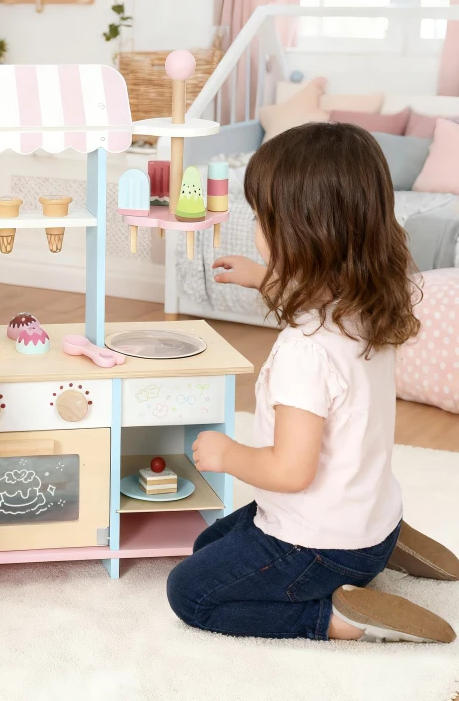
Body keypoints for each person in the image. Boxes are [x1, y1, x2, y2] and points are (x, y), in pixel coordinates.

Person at [166, 122, 456, 643]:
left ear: (299, 233)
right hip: (365, 517)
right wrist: (263, 276)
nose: (255, 227)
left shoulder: (305, 351)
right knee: (209, 547)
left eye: (260, 218)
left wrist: (227, 453)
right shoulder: (368, 302)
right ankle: (388, 542)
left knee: (192, 589)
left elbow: (291, 469)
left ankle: (342, 619)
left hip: (322, 544)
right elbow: (315, 293)